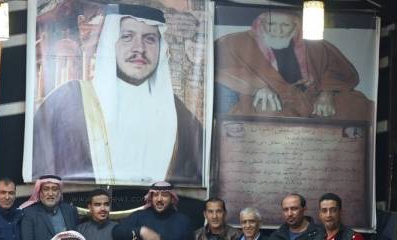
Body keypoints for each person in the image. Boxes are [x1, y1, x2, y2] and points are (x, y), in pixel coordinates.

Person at [32, 3, 202, 185]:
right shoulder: (66, 102)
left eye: (150, 39)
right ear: (110, 42)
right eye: (127, 37)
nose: (139, 48)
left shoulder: (181, 118)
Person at [215, 11, 372, 120]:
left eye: (285, 25)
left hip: (312, 99)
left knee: (358, 106)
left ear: (296, 26)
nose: (277, 30)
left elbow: (340, 69)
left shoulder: (314, 45)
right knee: (264, 115)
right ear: (261, 23)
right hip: (271, 102)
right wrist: (257, 87)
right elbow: (221, 67)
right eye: (271, 23)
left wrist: (327, 92)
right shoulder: (237, 42)